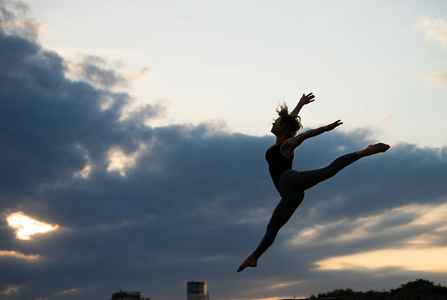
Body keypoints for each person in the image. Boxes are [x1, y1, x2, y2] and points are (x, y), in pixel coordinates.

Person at [237, 92, 390, 272]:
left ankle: (366, 151)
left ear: (282, 128)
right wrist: (300, 104)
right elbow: (290, 119)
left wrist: (324, 128)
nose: (272, 123)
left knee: (328, 171)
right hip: (290, 195)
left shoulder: (286, 144)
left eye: (276, 123)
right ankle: (254, 257)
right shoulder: (281, 139)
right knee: (272, 227)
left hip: (289, 180)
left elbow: (304, 135)